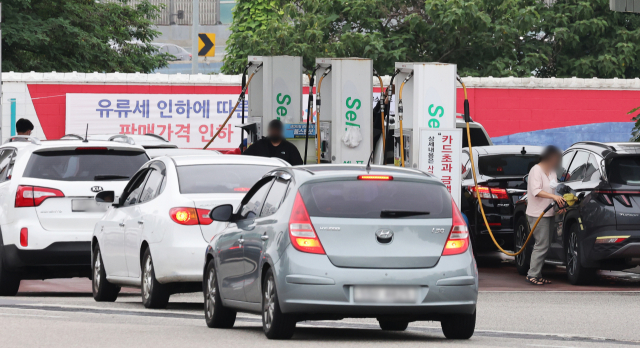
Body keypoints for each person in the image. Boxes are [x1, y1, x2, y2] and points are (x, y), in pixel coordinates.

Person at [525, 145, 565, 285]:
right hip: (537, 214)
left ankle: (537, 273)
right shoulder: (536, 170)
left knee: (546, 245)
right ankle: (532, 274)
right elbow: (536, 191)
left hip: (549, 212)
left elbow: (553, 191)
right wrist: (554, 198)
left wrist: (558, 204)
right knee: (541, 244)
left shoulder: (552, 172)